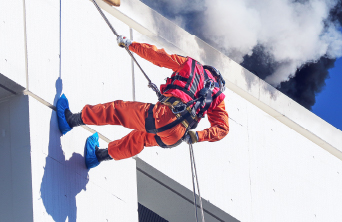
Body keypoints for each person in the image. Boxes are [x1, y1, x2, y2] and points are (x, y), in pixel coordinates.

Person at [56, 36, 229, 169]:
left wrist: (130, 44)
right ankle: (98, 156)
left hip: (164, 116)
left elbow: (158, 57)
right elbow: (223, 128)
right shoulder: (217, 97)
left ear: (208, 70)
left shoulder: (192, 66)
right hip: (176, 136)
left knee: (117, 110)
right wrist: (198, 136)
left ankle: (71, 120)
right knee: (139, 138)